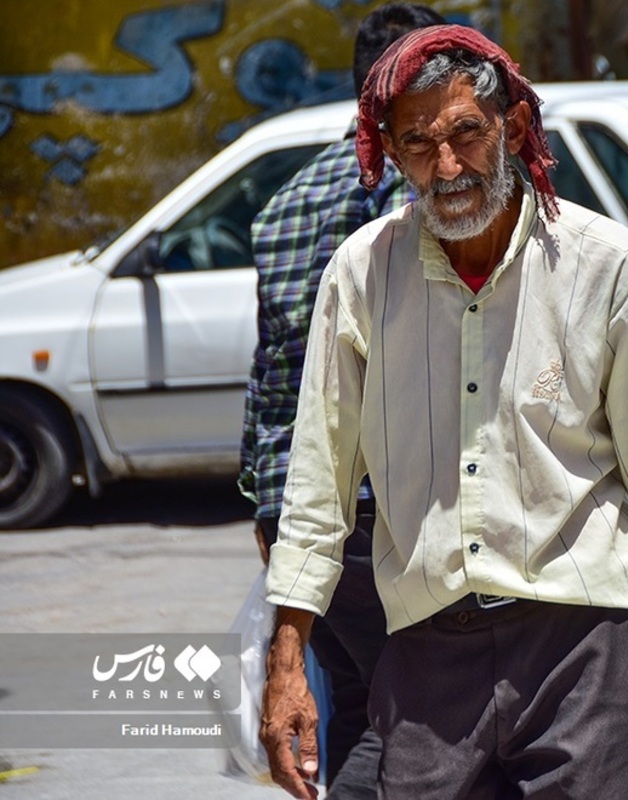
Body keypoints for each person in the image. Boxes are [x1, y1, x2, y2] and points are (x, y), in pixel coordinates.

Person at [257, 24, 628, 800]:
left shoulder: (610, 267)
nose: (447, 167)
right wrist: (286, 669)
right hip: (425, 656)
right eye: (418, 144)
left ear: (510, 127)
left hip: (583, 655)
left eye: (466, 133)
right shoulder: (361, 277)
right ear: (391, 155)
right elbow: (316, 491)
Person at [238, 4, 445, 797]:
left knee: (359, 703)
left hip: (302, 513)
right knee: (415, 714)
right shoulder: (415, 193)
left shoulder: (281, 206)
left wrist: (267, 513)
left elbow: (267, 381)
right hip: (383, 506)